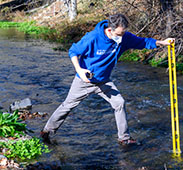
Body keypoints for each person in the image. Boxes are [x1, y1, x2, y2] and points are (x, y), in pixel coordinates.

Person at [40, 14, 174, 145]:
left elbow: (142, 42)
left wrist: (162, 42)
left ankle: (124, 138)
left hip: (104, 81)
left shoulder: (124, 38)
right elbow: (73, 51)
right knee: (67, 106)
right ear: (110, 30)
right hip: (84, 81)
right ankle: (47, 131)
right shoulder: (93, 37)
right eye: (119, 34)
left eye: (123, 34)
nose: (121, 38)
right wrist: (79, 70)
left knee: (119, 103)